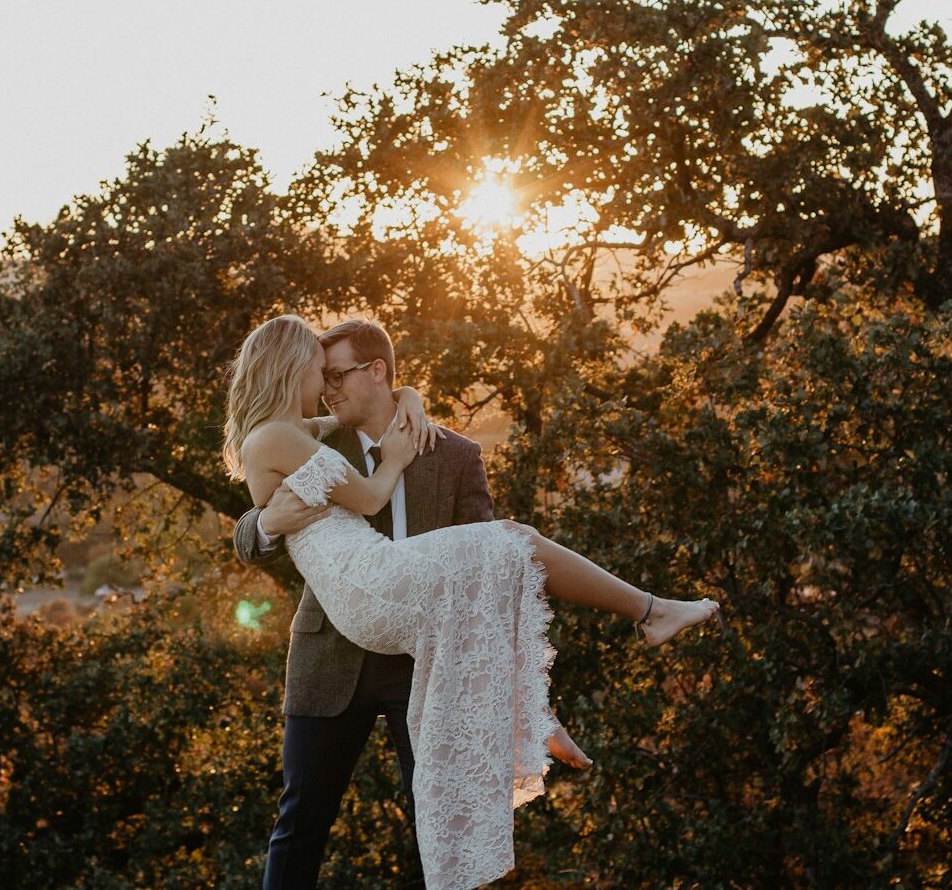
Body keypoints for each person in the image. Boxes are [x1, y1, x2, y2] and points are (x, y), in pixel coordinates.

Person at [226, 315, 720, 890]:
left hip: (430, 654)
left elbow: (488, 585)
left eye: (339, 376)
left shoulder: (453, 451)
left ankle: (549, 701)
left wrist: (408, 397)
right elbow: (251, 531)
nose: (330, 389)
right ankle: (643, 617)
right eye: (323, 376)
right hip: (336, 652)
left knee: (444, 809)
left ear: (377, 371)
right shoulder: (314, 435)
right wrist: (265, 523)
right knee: (301, 821)